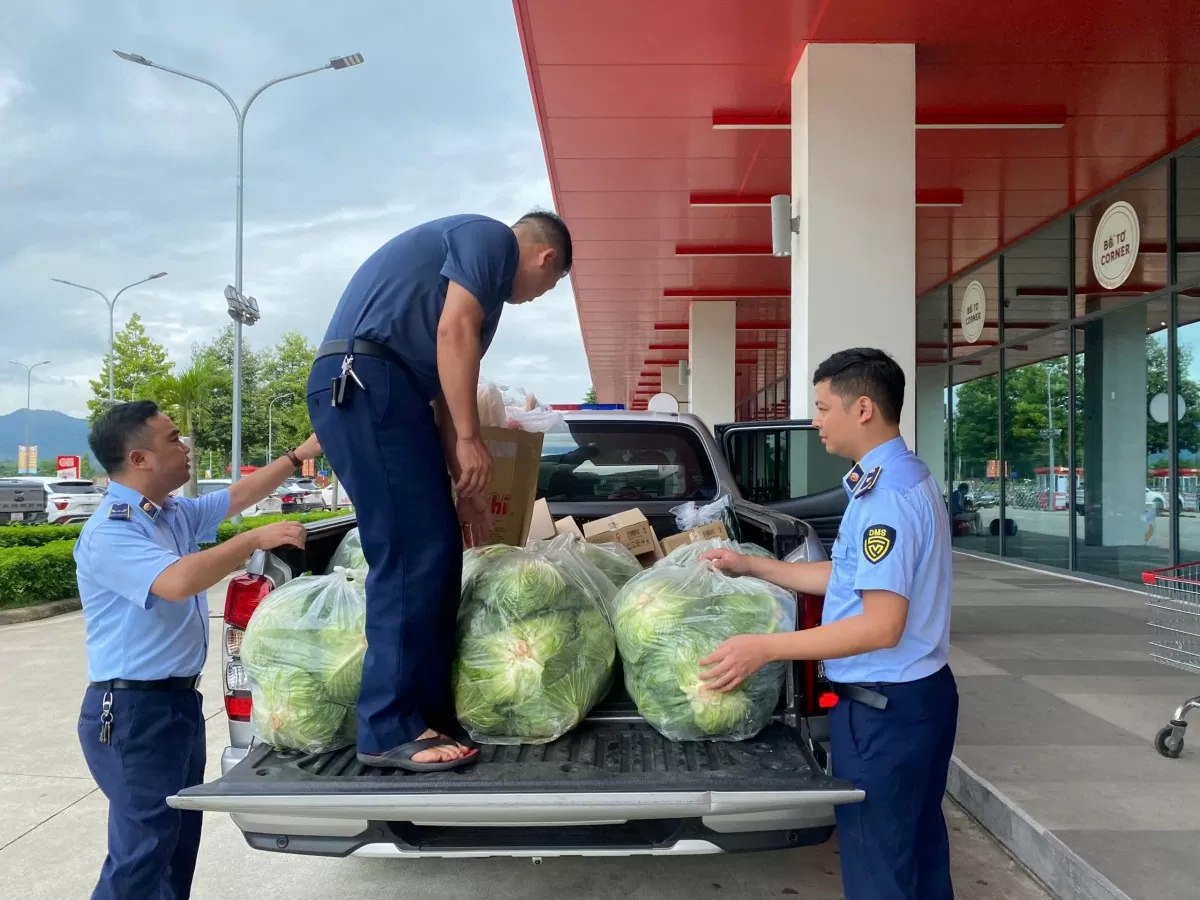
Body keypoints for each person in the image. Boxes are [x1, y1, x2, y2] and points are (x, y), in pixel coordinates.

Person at [306, 210, 572, 772]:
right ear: (546, 259)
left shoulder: (480, 290)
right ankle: (386, 726)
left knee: (438, 546)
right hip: (365, 381)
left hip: (395, 390)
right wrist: (472, 438)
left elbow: (444, 386)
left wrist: (466, 478)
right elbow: (455, 332)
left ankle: (423, 711)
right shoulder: (490, 240)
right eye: (546, 288)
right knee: (408, 551)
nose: (535, 297)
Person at [697, 348, 958, 900]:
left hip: (884, 708)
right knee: (916, 849)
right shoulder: (894, 478)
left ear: (862, 408)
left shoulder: (884, 499)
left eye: (821, 407)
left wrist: (767, 647)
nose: (814, 420)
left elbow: (881, 626)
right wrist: (751, 564)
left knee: (878, 862)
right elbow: (845, 578)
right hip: (916, 697)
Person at [74, 400, 323, 900]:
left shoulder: (167, 514)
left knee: (173, 846)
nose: (185, 448)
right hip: (131, 712)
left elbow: (237, 495)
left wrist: (300, 455)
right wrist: (251, 540)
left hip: (176, 706)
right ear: (139, 458)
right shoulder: (112, 530)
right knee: (141, 854)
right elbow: (176, 581)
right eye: (172, 440)